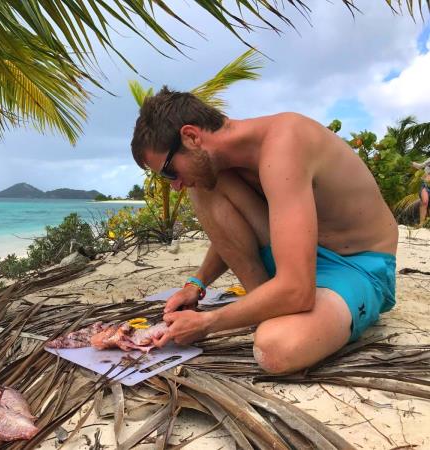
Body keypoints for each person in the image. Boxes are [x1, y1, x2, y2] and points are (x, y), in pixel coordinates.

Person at [130, 87, 398, 374]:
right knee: (203, 184)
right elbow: (233, 232)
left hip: (357, 268)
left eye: (169, 172)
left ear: (192, 137)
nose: (175, 184)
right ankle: (271, 304)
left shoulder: (284, 144)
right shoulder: (227, 163)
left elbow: (298, 289)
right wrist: (196, 284)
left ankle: (285, 308)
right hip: (299, 260)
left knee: (275, 349)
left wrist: (208, 323)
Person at [412, 156, 430, 227]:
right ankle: (421, 223)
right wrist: (410, 163)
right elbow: (420, 166)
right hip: (426, 183)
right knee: (424, 202)